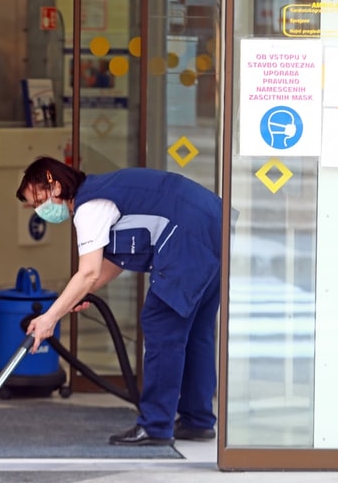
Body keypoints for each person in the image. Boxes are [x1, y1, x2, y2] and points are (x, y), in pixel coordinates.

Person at [15, 156, 223, 446]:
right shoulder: (107, 191)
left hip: (186, 235)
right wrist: (78, 295)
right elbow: (108, 265)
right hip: (213, 222)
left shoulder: (89, 206)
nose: (39, 211)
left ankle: (156, 427)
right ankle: (197, 420)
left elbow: (87, 272)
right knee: (198, 332)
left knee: (161, 323)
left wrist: (49, 317)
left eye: (38, 201)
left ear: (56, 187)